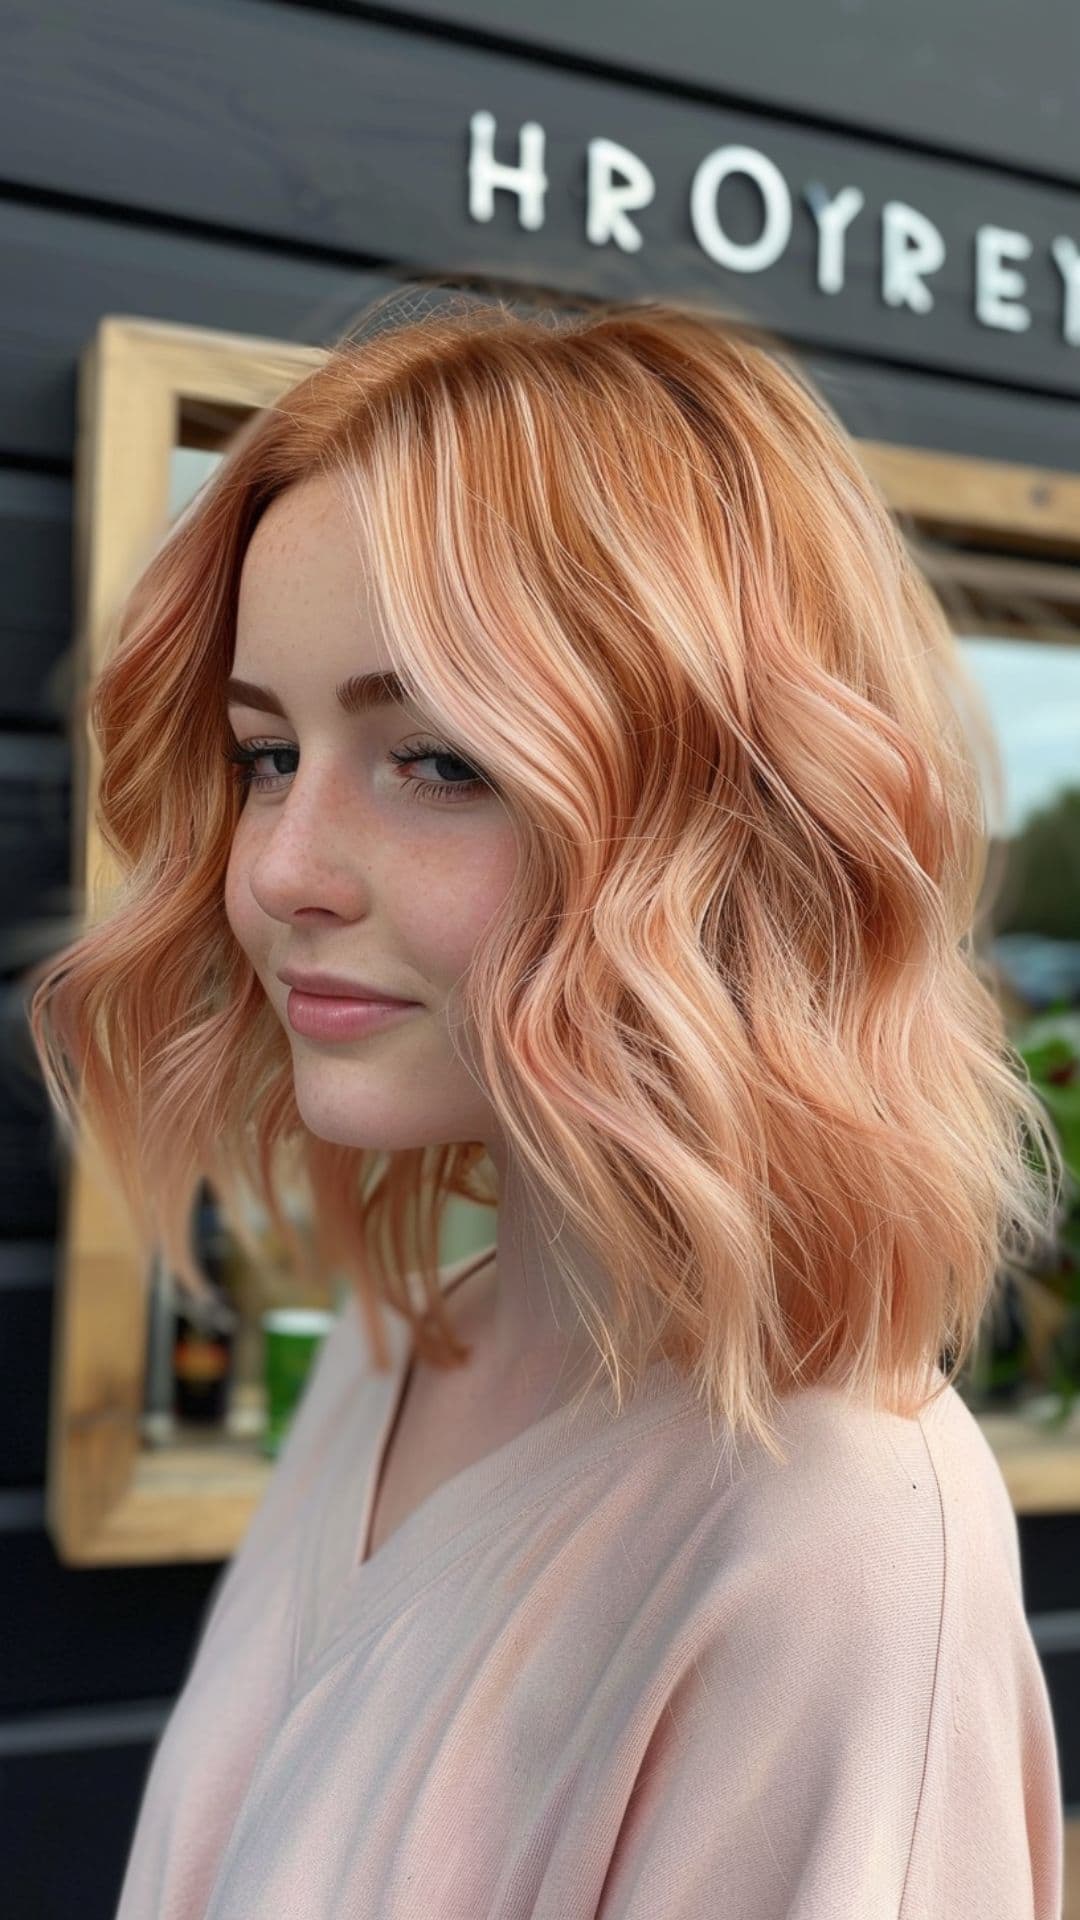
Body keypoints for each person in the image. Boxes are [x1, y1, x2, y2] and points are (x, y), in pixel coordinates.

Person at [25, 289, 1065, 1917]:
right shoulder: (414, 1341)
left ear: (724, 825)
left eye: (436, 758)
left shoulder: (836, 1539)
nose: (281, 868)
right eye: (264, 755)